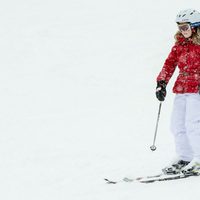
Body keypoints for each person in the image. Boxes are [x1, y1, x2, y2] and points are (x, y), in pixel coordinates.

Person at [156, 9, 200, 175]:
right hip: (182, 88)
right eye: (180, 27)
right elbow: (169, 64)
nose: (183, 31)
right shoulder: (180, 45)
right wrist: (162, 82)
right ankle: (185, 157)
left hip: (197, 89)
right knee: (177, 125)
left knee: (193, 124)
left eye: (186, 27)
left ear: (195, 27)